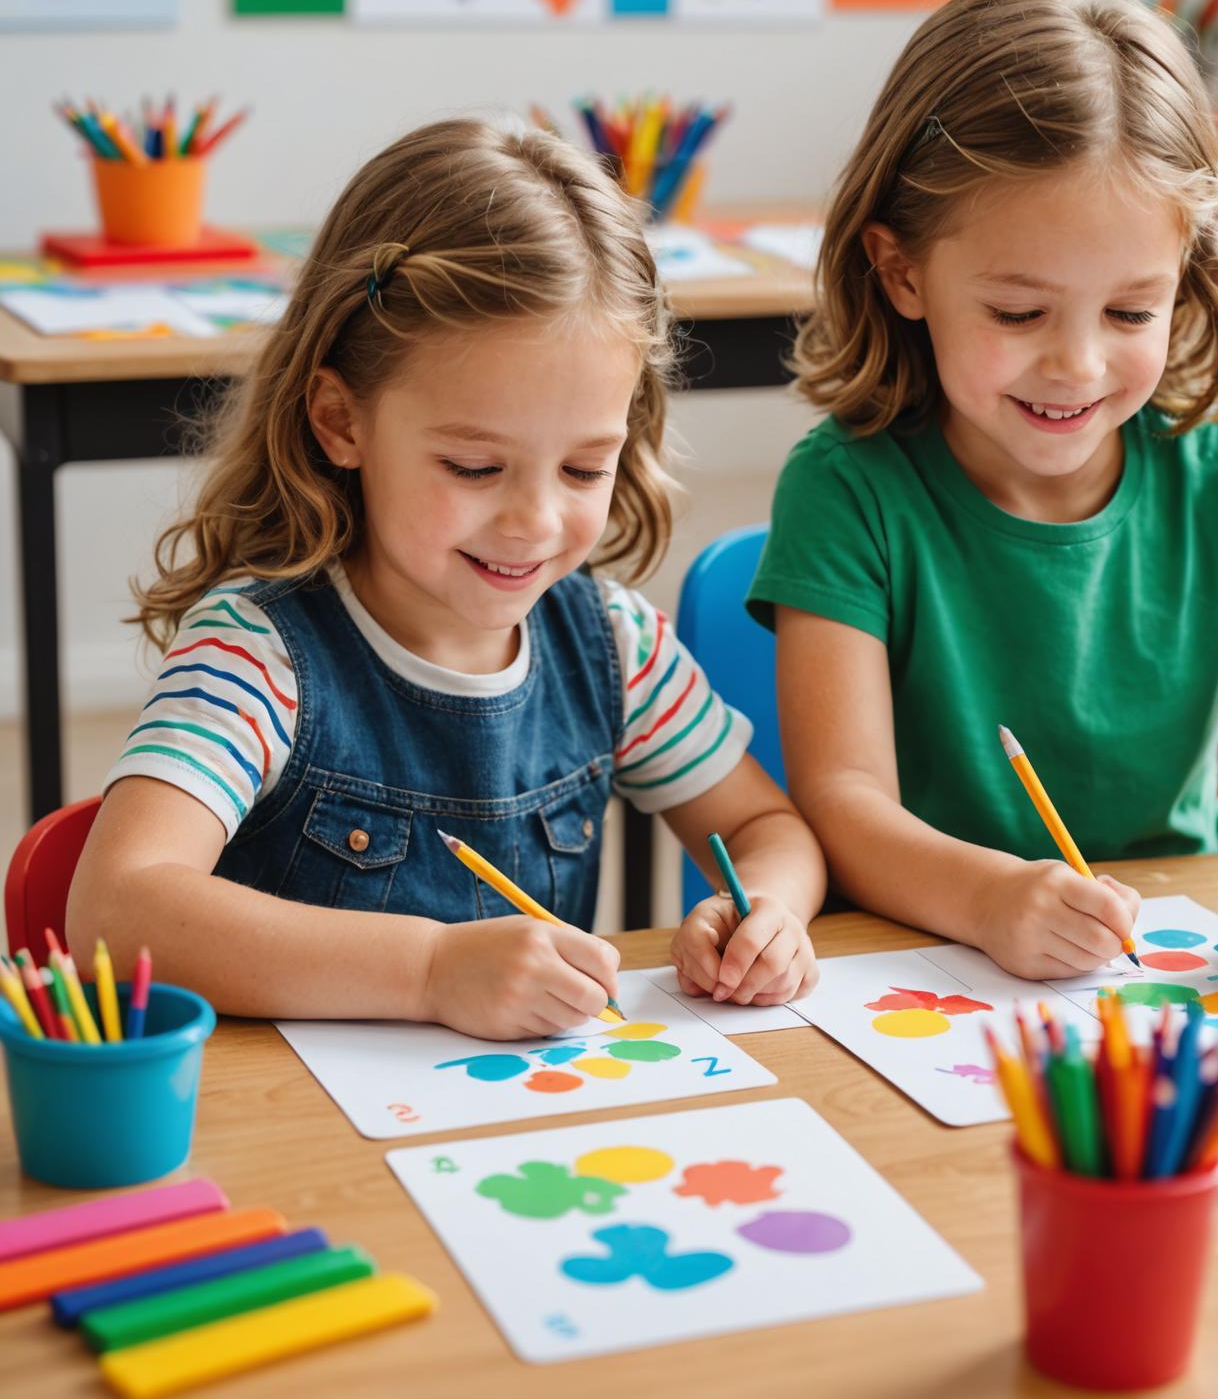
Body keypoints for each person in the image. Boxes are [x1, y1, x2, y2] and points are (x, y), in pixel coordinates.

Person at [748, 0, 1218, 989]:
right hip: (924, 982)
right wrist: (992, 899)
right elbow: (846, 807)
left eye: (1129, 313)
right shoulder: (849, 490)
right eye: (1020, 313)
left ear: (1184, 278)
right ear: (902, 274)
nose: (1076, 365)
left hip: (1178, 991)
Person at [68, 118, 824, 1040]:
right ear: (341, 422)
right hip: (300, 1135)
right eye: (475, 468)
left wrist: (765, 913)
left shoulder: (614, 646)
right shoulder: (257, 656)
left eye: (585, 469)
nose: (535, 522)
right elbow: (118, 907)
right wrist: (428, 971)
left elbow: (766, 830)